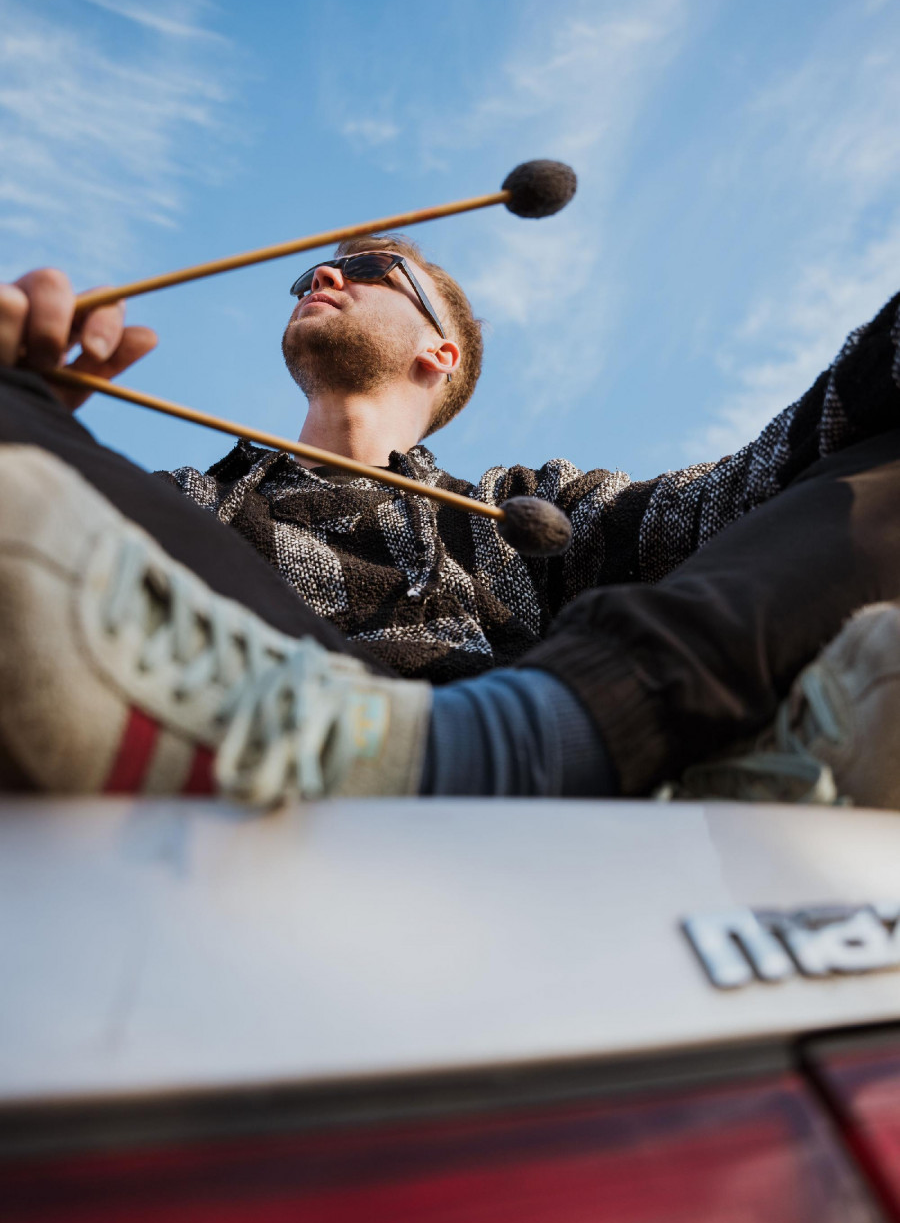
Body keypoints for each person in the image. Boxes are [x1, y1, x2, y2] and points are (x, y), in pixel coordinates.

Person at [2, 244, 900, 808]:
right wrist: (29, 408)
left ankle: (555, 727)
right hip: (268, 731)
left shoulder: (523, 514)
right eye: (319, 269)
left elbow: (742, 494)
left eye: (366, 269)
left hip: (540, 740)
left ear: (442, 352)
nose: (323, 272)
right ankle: (575, 743)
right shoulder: (194, 499)